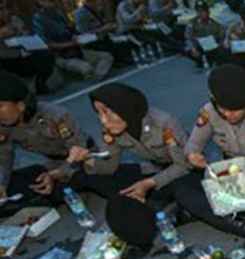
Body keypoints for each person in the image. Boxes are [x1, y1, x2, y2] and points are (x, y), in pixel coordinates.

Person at [175, 64, 245, 248]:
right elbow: (194, 142)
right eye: (223, 108)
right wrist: (192, 154)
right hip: (227, 167)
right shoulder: (209, 112)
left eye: (236, 110)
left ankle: (220, 213)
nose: (228, 114)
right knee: (183, 188)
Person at [66, 82, 189, 226]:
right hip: (154, 169)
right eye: (98, 113)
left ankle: (157, 201)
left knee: (185, 191)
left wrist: (149, 183)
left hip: (182, 171)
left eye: (107, 112)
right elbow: (108, 167)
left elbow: (184, 164)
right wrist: (87, 157)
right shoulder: (112, 130)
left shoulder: (164, 123)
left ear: (123, 107)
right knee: (89, 177)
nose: (103, 120)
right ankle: (151, 200)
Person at [0, 72, 89, 215]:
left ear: (20, 105)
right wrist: (2, 185)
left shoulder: (55, 116)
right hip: (53, 164)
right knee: (26, 185)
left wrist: (55, 175)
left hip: (82, 160)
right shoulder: (4, 127)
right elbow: (4, 159)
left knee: (65, 191)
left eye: (0, 106)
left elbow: (79, 151)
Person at [32, 0, 113, 81]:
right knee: (86, 67)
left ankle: (94, 78)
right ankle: (90, 78)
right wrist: (70, 44)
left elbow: (70, 30)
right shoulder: (38, 20)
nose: (47, 3)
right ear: (37, 2)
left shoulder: (59, 13)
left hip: (77, 50)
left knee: (107, 57)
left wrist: (74, 36)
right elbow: (46, 44)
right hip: (61, 56)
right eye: (43, 0)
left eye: (49, 0)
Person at [0, 0, 55, 94]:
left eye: (6, 8)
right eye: (1, 9)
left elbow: (25, 33)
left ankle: (40, 85)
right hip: (4, 61)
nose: (5, 12)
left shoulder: (14, 20)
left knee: (46, 55)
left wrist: (23, 35)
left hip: (20, 57)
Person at [73, 0, 134, 65]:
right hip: (92, 43)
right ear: (91, 2)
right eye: (97, 2)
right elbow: (83, 33)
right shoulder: (80, 13)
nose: (99, 4)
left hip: (104, 38)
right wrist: (102, 29)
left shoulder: (96, 10)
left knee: (126, 41)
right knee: (118, 48)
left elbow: (103, 22)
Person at [184, 0, 227, 68]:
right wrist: (193, 49)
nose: (200, 14)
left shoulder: (214, 23)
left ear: (208, 12)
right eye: (198, 11)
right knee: (186, 50)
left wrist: (219, 44)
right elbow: (188, 37)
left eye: (202, 11)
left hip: (213, 47)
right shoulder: (192, 22)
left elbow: (222, 36)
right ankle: (199, 59)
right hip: (199, 46)